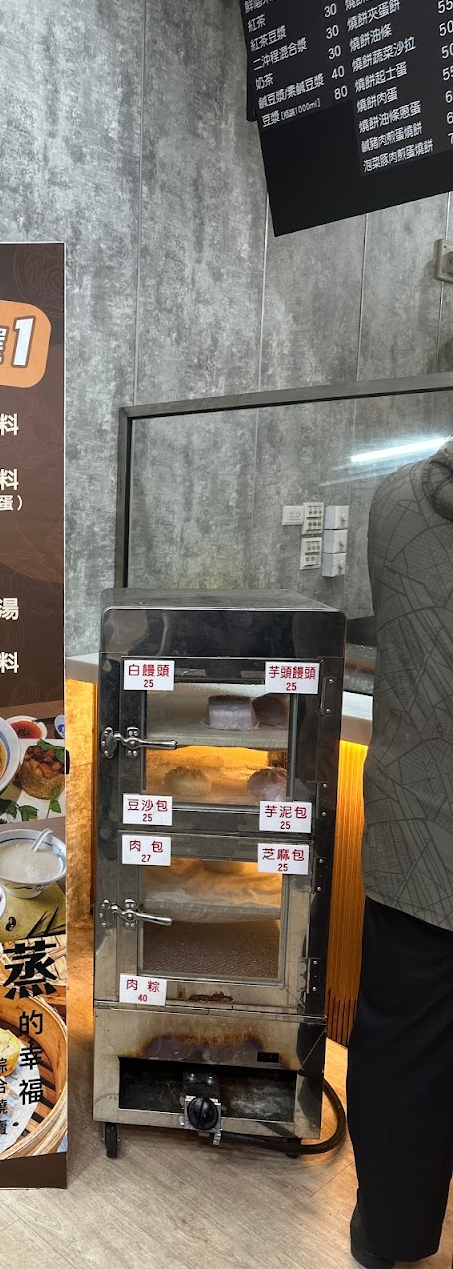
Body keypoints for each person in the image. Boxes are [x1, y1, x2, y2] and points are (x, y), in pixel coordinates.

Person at [347, 439, 453, 1268]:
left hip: (414, 829)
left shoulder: (394, 498)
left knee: (400, 1053)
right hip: (417, 830)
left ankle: (388, 1238)